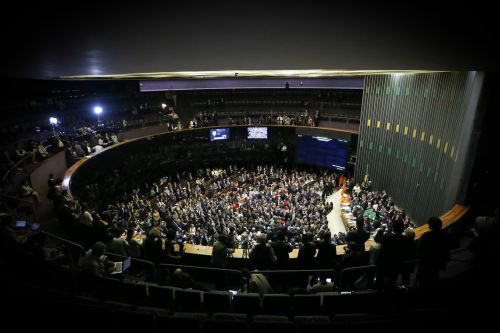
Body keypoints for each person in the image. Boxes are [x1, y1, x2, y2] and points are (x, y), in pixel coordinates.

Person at [417, 217, 459, 287]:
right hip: (439, 261)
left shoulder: (426, 236)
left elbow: (419, 250)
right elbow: (456, 245)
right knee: (434, 276)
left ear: (430, 226)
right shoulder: (446, 235)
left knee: (423, 279)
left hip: (426, 262)